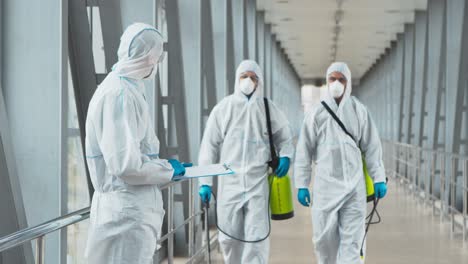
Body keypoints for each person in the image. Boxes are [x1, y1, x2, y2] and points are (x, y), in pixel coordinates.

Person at [84, 23, 190, 264]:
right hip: (125, 214)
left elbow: (137, 153)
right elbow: (125, 166)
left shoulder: (128, 89)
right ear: (148, 58)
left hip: (129, 213)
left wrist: (165, 166)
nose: (157, 63)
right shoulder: (118, 95)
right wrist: (167, 170)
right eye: (157, 57)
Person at [198, 60, 294, 263]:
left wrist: (286, 155)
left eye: (253, 77)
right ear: (237, 79)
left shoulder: (268, 108)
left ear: (260, 81)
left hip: (257, 183)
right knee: (228, 238)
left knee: (256, 239)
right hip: (229, 183)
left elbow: (285, 137)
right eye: (244, 76)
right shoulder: (224, 108)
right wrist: (205, 182)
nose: (248, 81)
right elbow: (209, 147)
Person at [294, 62, 387, 263]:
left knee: (353, 243)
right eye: (332, 79)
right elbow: (304, 151)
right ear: (327, 82)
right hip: (325, 188)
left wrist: (379, 177)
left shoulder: (358, 110)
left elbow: (372, 146)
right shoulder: (316, 113)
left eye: (341, 79)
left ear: (348, 83)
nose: (336, 83)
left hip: (354, 187)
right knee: (323, 242)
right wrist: (302, 184)